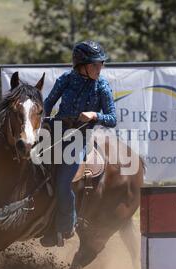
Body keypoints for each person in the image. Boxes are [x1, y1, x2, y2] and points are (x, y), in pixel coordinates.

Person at [40, 40, 117, 247]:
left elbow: (112, 118)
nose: (99, 68)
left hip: (79, 138)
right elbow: (47, 104)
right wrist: (41, 119)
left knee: (63, 184)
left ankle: (65, 226)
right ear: (81, 66)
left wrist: (94, 115)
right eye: (95, 64)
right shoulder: (66, 79)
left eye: (101, 64)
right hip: (55, 131)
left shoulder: (102, 86)